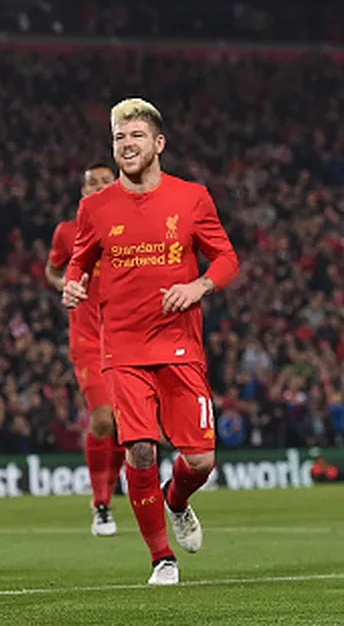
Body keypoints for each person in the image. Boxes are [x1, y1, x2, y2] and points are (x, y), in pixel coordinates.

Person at [62, 98, 239, 585]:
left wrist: (199, 286)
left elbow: (226, 258)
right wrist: (73, 284)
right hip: (122, 346)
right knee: (140, 450)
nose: (126, 145)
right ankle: (161, 557)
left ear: (159, 143)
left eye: (136, 136)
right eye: (119, 138)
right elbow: (78, 261)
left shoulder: (192, 198)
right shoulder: (94, 207)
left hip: (179, 344)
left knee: (200, 461)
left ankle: (175, 499)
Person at [46, 162, 124, 536]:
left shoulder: (134, 228)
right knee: (103, 418)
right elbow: (52, 270)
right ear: (83, 192)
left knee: (126, 427)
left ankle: (109, 493)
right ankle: (101, 503)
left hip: (127, 338)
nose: (99, 187)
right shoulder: (67, 232)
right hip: (88, 340)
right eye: (92, 183)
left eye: (106, 181)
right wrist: (65, 284)